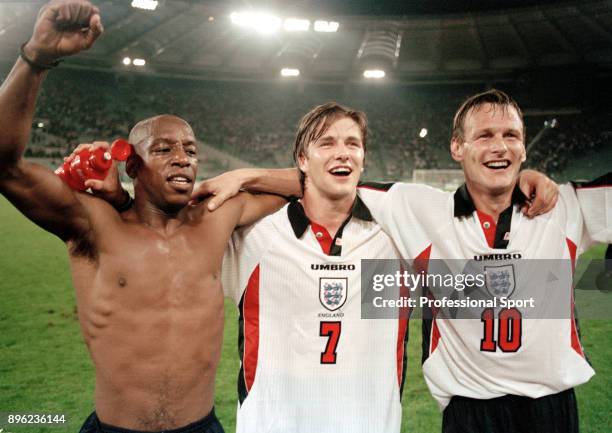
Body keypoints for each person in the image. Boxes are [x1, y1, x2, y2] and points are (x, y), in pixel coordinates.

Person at [190, 91, 608, 433]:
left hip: (551, 406)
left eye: (510, 136)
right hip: (468, 411)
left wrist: (529, 178)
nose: (499, 146)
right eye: (484, 135)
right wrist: (244, 177)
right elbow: (328, 181)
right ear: (457, 147)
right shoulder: (417, 210)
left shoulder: (562, 207)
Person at [0, 1, 284, 432]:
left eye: (190, 150)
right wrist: (36, 57)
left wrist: (250, 174)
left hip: (202, 427)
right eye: (164, 148)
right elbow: (5, 167)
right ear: (132, 166)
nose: (182, 159)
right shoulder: (93, 223)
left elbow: (313, 185)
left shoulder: (217, 215)